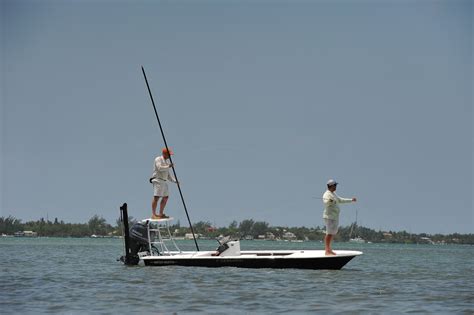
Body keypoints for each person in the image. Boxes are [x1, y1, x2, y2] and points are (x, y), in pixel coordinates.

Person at [322, 179, 357, 255]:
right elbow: (326, 202)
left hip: (334, 217)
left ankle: (329, 249)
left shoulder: (333, 193)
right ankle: (327, 250)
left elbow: (340, 200)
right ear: (331, 186)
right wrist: (330, 201)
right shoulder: (327, 194)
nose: (336, 187)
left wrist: (351, 200)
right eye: (335, 185)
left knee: (332, 232)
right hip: (329, 216)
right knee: (329, 233)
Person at [150, 148, 177, 219]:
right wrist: (169, 166)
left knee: (166, 197)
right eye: (169, 154)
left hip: (164, 181)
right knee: (156, 197)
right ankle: (154, 214)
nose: (169, 156)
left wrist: (175, 181)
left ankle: (161, 213)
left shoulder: (166, 163)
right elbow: (159, 168)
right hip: (158, 180)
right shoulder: (158, 159)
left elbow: (168, 176)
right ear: (164, 154)